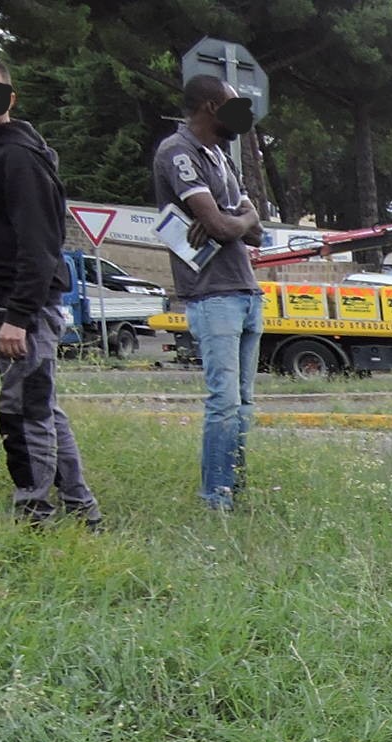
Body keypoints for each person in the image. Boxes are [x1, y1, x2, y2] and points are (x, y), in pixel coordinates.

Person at [0, 50, 102, 528]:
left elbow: (40, 247)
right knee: (41, 406)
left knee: (23, 411)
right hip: (1, 301)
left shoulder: (18, 157)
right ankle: (82, 509)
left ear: (9, 96)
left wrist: (17, 314)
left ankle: (35, 517)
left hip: (23, 307)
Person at [153, 75, 267, 512]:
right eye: (235, 105)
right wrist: (230, 221)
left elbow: (254, 231)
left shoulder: (219, 157)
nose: (244, 115)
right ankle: (215, 498)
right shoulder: (178, 152)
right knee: (224, 402)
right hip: (211, 293)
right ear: (211, 107)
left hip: (243, 288)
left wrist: (234, 221)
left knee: (244, 405)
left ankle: (234, 492)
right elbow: (223, 226)